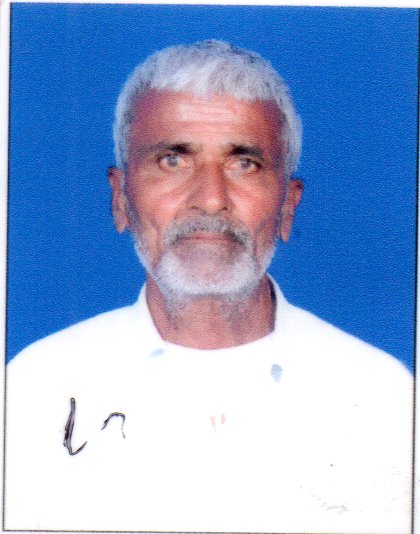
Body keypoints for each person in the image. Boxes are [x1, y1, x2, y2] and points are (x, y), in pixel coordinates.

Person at [5, 40, 413, 533]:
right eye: (173, 161)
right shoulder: (35, 388)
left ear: (288, 206)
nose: (211, 199)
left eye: (245, 163)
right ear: (120, 199)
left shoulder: (383, 397)